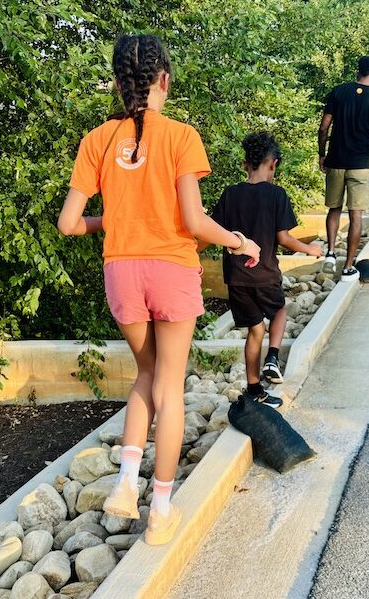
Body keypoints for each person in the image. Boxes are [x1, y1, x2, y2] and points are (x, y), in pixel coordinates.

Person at [57, 34, 261, 546]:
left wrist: (117, 221)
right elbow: (192, 220)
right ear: (164, 80)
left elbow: (68, 223)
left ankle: (126, 483)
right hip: (171, 269)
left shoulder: (96, 140)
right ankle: (161, 510)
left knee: (144, 375)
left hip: (122, 272)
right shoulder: (181, 136)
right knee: (170, 387)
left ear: (118, 83)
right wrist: (238, 241)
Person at [210, 132, 322, 404]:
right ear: (273, 163)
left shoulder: (230, 194)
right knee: (280, 309)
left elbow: (211, 231)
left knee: (255, 329)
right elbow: (284, 239)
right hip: (265, 273)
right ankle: (272, 357)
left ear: (245, 163)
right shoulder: (276, 195)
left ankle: (254, 389)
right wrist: (310, 249)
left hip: (236, 277)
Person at [318, 56, 369, 282]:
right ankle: (348, 267)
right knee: (356, 215)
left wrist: (322, 154)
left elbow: (323, 128)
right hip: (359, 164)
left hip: (335, 161)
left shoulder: (338, 92)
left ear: (356, 71)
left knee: (333, 209)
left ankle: (330, 253)